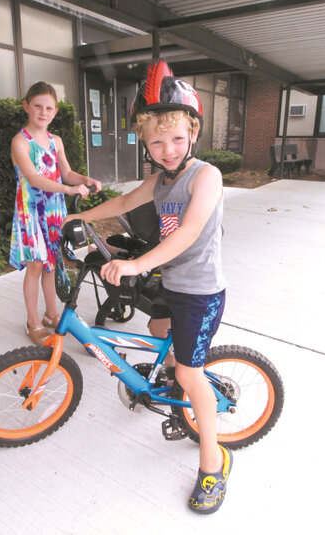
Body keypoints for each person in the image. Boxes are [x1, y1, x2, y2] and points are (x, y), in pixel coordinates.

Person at [65, 61, 230, 514]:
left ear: (192, 133)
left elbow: (188, 232)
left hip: (200, 291)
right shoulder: (160, 180)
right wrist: (76, 218)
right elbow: (121, 202)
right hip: (171, 282)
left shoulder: (206, 176)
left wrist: (136, 262)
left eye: (177, 138)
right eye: (157, 141)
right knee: (159, 330)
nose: (168, 148)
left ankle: (213, 464)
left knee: (189, 373)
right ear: (146, 142)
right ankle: (174, 382)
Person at [9, 82, 101, 345]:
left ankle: (51, 315)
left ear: (55, 111)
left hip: (54, 212)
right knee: (36, 265)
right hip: (31, 211)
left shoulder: (55, 141)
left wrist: (86, 179)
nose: (43, 111)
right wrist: (68, 189)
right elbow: (34, 178)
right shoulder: (20, 141)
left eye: (49, 107)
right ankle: (32, 321)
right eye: (37, 105)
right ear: (27, 106)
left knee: (52, 263)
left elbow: (67, 173)